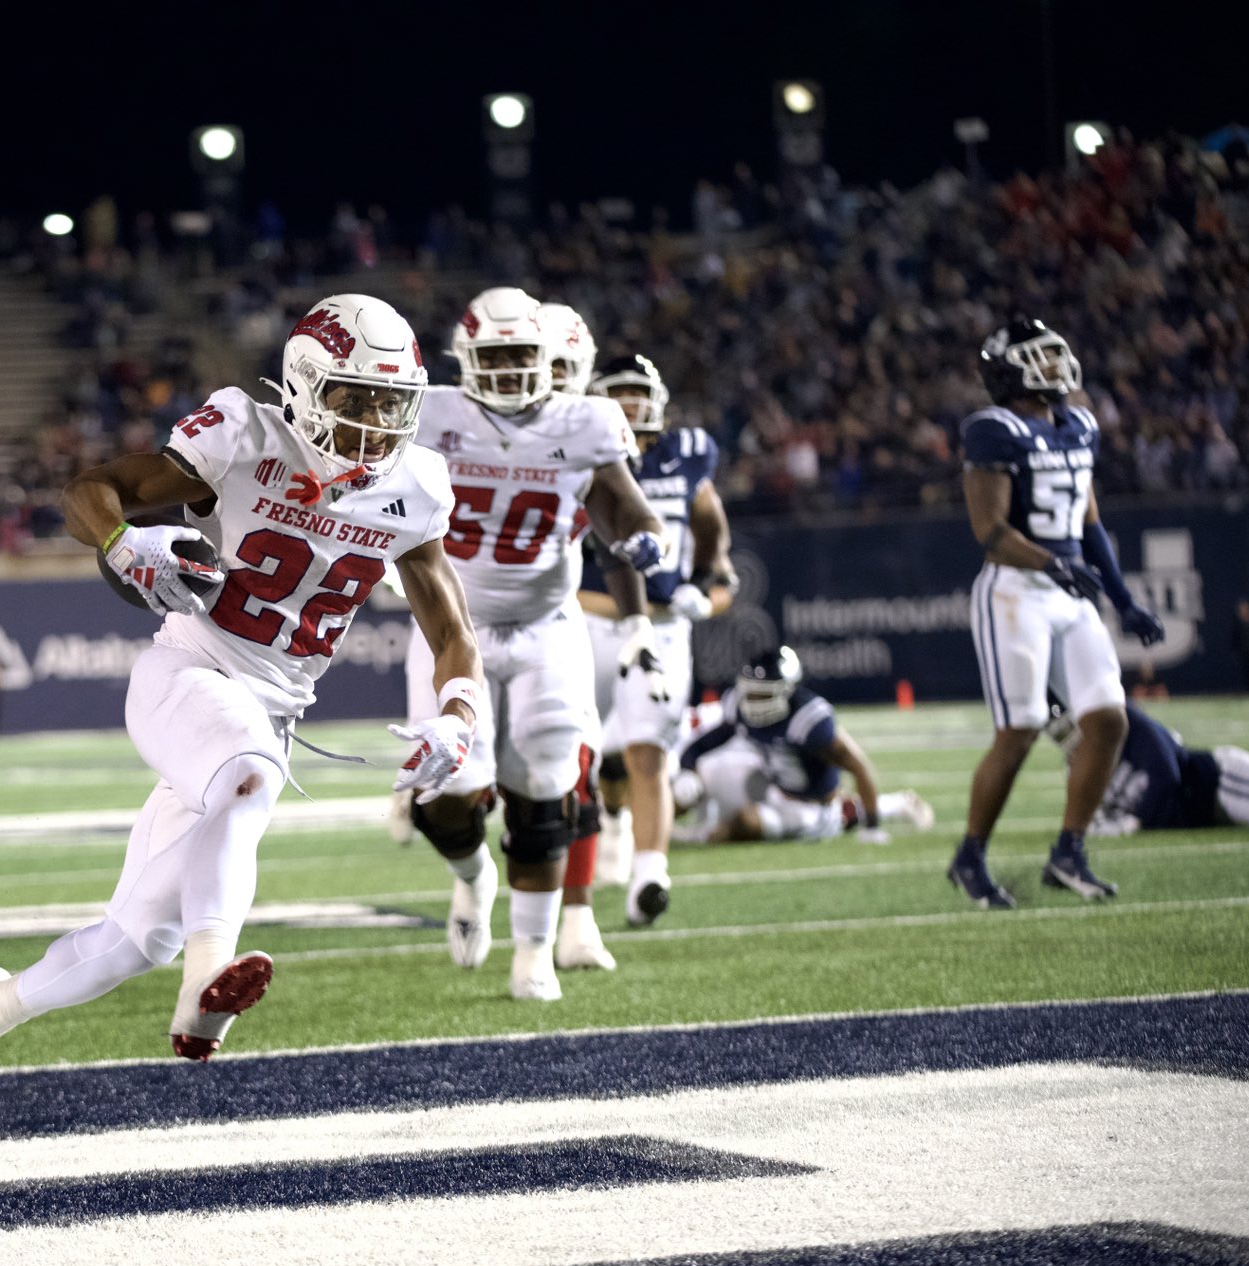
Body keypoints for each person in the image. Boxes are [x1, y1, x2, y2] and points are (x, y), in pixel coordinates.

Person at [0, 293, 483, 1102]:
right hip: (190, 674)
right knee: (249, 774)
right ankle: (208, 986)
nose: (375, 424)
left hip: (272, 712)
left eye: (392, 404)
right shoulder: (245, 433)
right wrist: (123, 541)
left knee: (133, 941)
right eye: (355, 400)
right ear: (307, 387)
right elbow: (90, 490)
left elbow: (452, 629)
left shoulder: (416, 485)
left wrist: (458, 721)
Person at [398, 288, 665, 1001]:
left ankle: (535, 953)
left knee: (545, 786)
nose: (513, 369)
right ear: (466, 361)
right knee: (450, 787)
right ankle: (472, 875)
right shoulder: (434, 413)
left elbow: (625, 505)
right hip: (451, 626)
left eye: (525, 354)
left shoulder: (586, 420)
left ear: (552, 357)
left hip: (549, 625)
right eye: (496, 355)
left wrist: (645, 540)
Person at [948, 318, 1163, 907]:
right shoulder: (993, 430)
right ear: (1008, 371)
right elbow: (990, 531)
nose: (1053, 368)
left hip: (1068, 593)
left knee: (1109, 718)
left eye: (1054, 356)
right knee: (1018, 731)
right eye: (1038, 359)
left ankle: (1069, 851)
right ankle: (970, 857)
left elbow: (1089, 523)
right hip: (1015, 592)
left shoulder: (1079, 427)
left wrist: (1123, 599)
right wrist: (1050, 564)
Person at [572, 352, 736, 938]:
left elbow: (710, 520)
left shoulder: (686, 452)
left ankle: (650, 874)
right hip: (588, 619)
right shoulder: (583, 447)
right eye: (620, 393)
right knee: (577, 756)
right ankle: (589, 858)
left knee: (650, 753)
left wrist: (709, 578)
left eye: (640, 393)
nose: (633, 405)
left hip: (664, 627)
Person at [674, 647, 933, 843]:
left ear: (787, 690)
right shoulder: (740, 706)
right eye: (750, 692)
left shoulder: (808, 720)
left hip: (809, 808)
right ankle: (665, 824)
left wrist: (873, 827)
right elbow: (701, 746)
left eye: (762, 694)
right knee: (699, 775)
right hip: (772, 785)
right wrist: (688, 771)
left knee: (747, 822)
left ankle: (702, 834)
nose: (753, 700)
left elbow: (859, 766)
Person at [1045, 699, 1249, 833]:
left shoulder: (1126, 723)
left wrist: (1139, 820)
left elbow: (1167, 774)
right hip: (1200, 817)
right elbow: (1096, 822)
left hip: (1220, 783)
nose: (1070, 739)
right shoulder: (1078, 769)